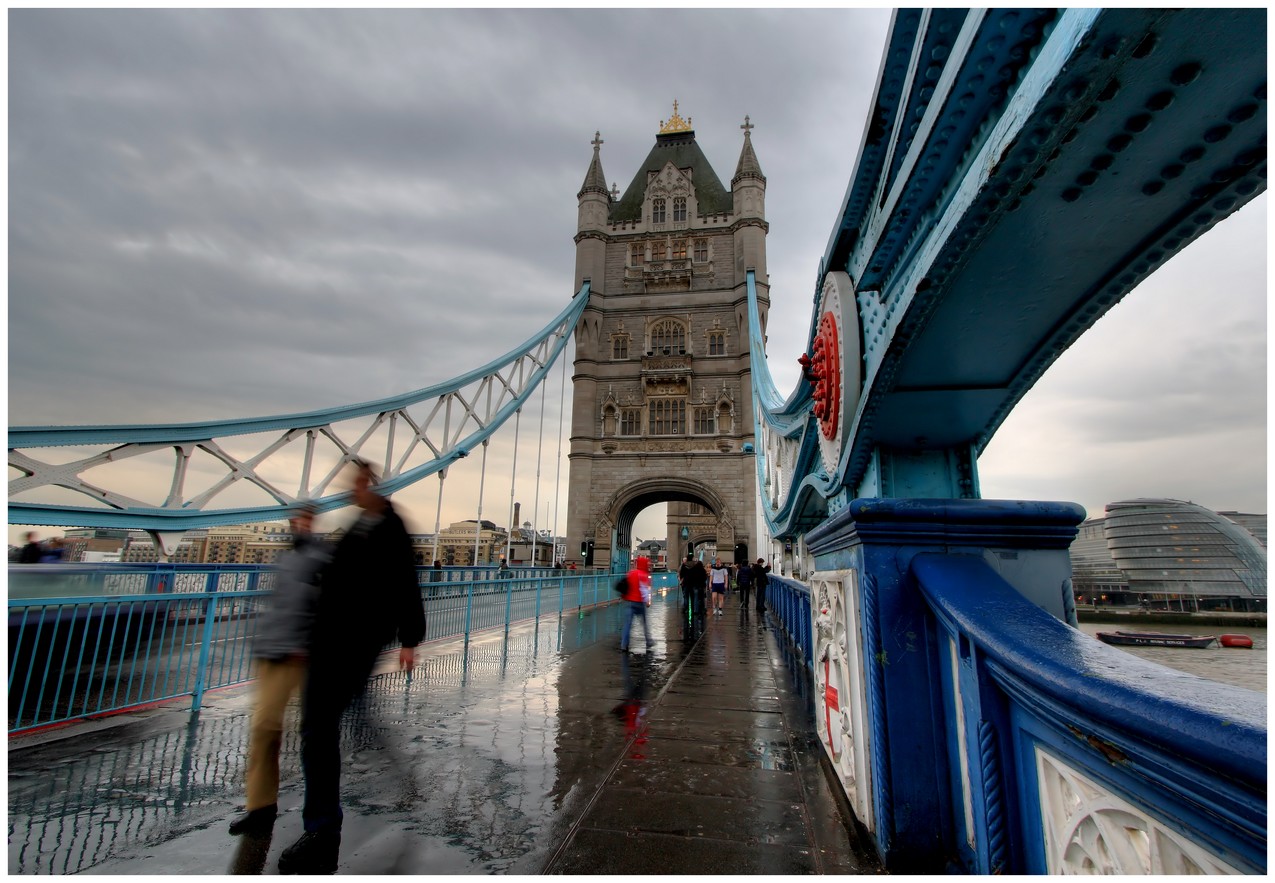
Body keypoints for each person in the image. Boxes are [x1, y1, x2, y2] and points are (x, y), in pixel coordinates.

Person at [277, 459, 426, 875]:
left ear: (370, 484)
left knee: (319, 728)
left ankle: (323, 831)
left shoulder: (387, 527)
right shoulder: (359, 525)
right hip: (331, 642)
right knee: (334, 725)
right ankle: (381, 780)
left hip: (355, 642)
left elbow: (405, 581)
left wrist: (410, 639)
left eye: (356, 483)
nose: (351, 490)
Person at [229, 502, 329, 837]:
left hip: (304, 655)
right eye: (294, 519)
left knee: (315, 737)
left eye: (303, 519)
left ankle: (319, 820)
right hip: (274, 653)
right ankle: (259, 808)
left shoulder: (323, 558)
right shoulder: (285, 559)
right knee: (263, 729)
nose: (297, 524)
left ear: (312, 522)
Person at [618, 555, 654, 653]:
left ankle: (624, 645)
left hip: (629, 602)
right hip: (639, 602)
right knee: (644, 623)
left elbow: (626, 586)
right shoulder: (644, 575)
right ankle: (649, 641)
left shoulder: (631, 573)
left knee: (627, 625)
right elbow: (644, 590)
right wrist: (647, 601)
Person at [685, 558, 709, 640]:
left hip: (695, 586)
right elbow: (705, 579)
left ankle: (695, 610)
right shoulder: (703, 571)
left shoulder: (693, 570)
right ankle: (701, 609)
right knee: (701, 599)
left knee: (695, 598)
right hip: (701, 587)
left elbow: (690, 578)